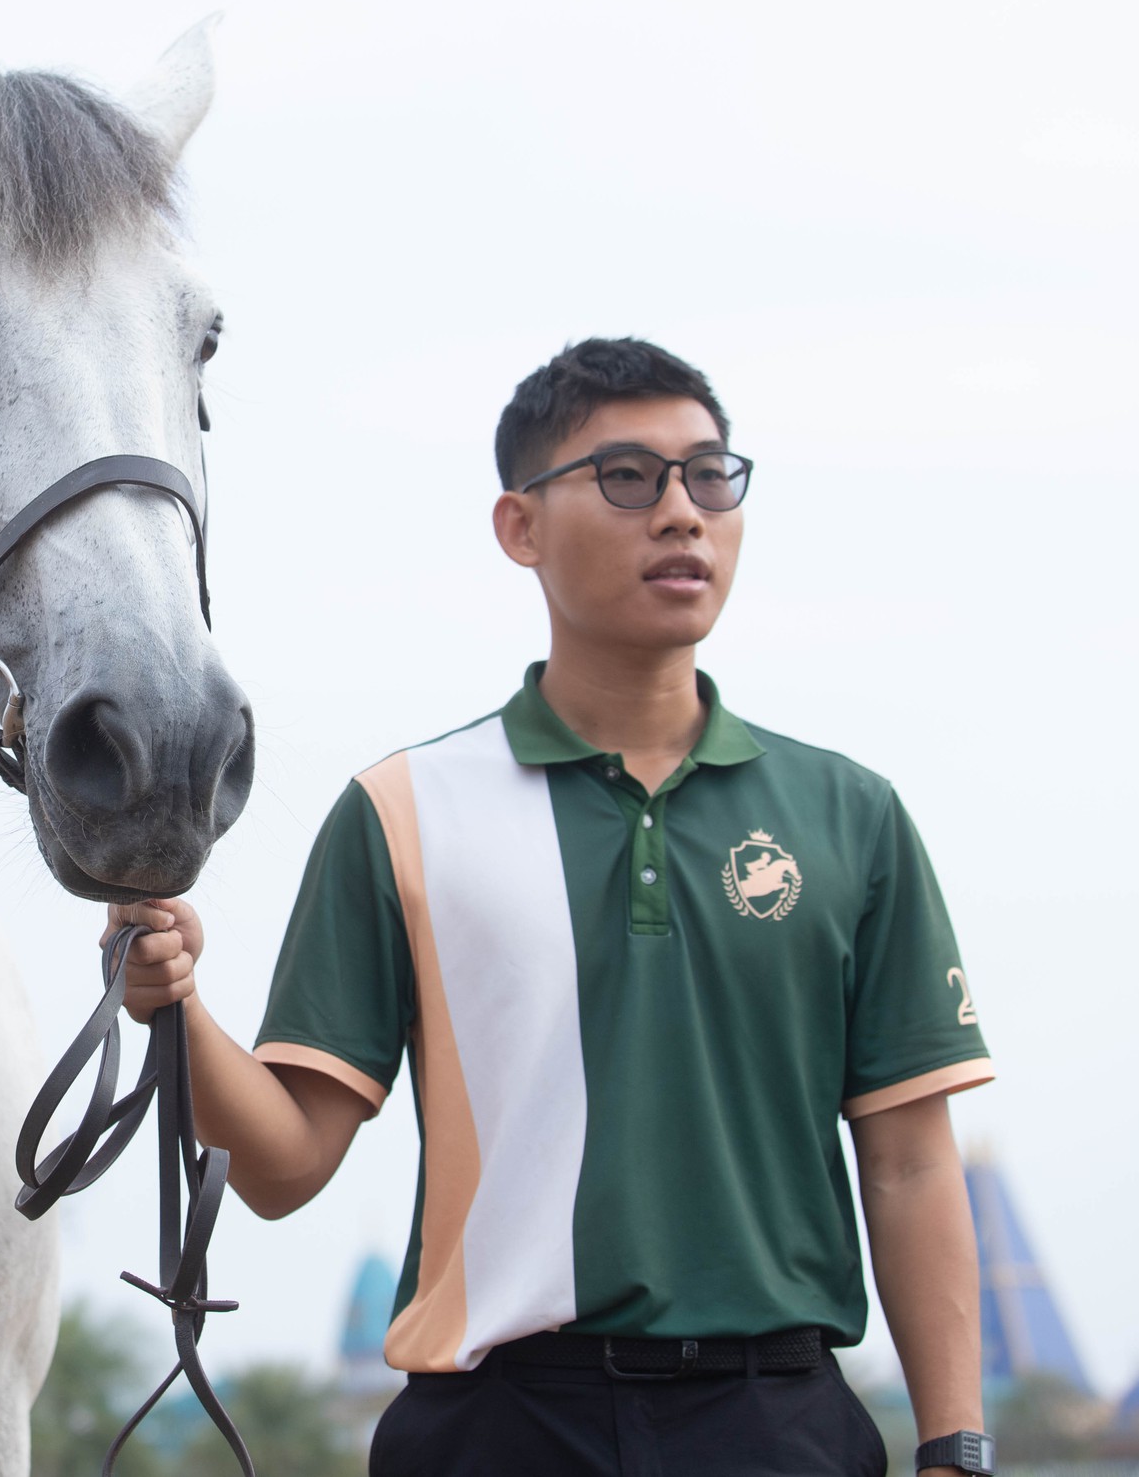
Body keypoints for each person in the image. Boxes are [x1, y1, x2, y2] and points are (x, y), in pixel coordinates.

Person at [108, 339, 995, 1477]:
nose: (680, 512)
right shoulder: (402, 811)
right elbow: (282, 1167)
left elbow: (912, 1165)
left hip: (777, 1426)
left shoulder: (850, 815)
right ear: (518, 528)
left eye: (709, 476)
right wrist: (172, 1003)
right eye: (627, 477)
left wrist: (954, 1449)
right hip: (497, 1426)